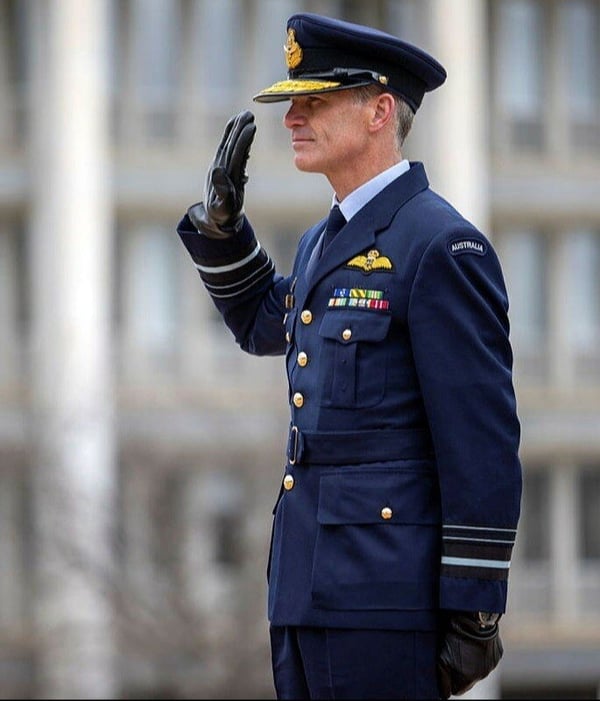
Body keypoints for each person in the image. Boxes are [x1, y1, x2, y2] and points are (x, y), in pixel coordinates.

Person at [176, 12, 522, 700]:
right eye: (290, 103)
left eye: (315, 100)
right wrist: (223, 231)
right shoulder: (321, 242)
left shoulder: (440, 245)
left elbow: (480, 443)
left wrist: (475, 605)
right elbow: (261, 323)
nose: (291, 118)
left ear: (380, 111)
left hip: (384, 596)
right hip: (306, 587)